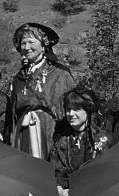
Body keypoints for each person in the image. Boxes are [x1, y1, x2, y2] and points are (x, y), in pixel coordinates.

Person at [7, 22, 75, 158]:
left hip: (50, 133)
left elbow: (69, 110)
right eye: (23, 43)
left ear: (44, 45)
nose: (27, 47)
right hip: (22, 133)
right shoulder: (18, 79)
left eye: (31, 42)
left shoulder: (60, 74)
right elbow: (13, 116)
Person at [49, 88, 108, 196]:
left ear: (88, 111)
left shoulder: (101, 140)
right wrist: (60, 191)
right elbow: (55, 173)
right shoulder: (61, 139)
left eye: (77, 109)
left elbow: (105, 175)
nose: (71, 114)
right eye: (68, 109)